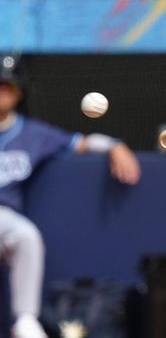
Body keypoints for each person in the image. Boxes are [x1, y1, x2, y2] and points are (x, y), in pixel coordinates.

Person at [0, 56, 141, 338]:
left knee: (27, 236)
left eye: (8, 87)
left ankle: (25, 320)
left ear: (19, 93)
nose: (2, 92)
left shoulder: (32, 133)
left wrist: (114, 145)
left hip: (4, 217)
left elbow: (79, 143)